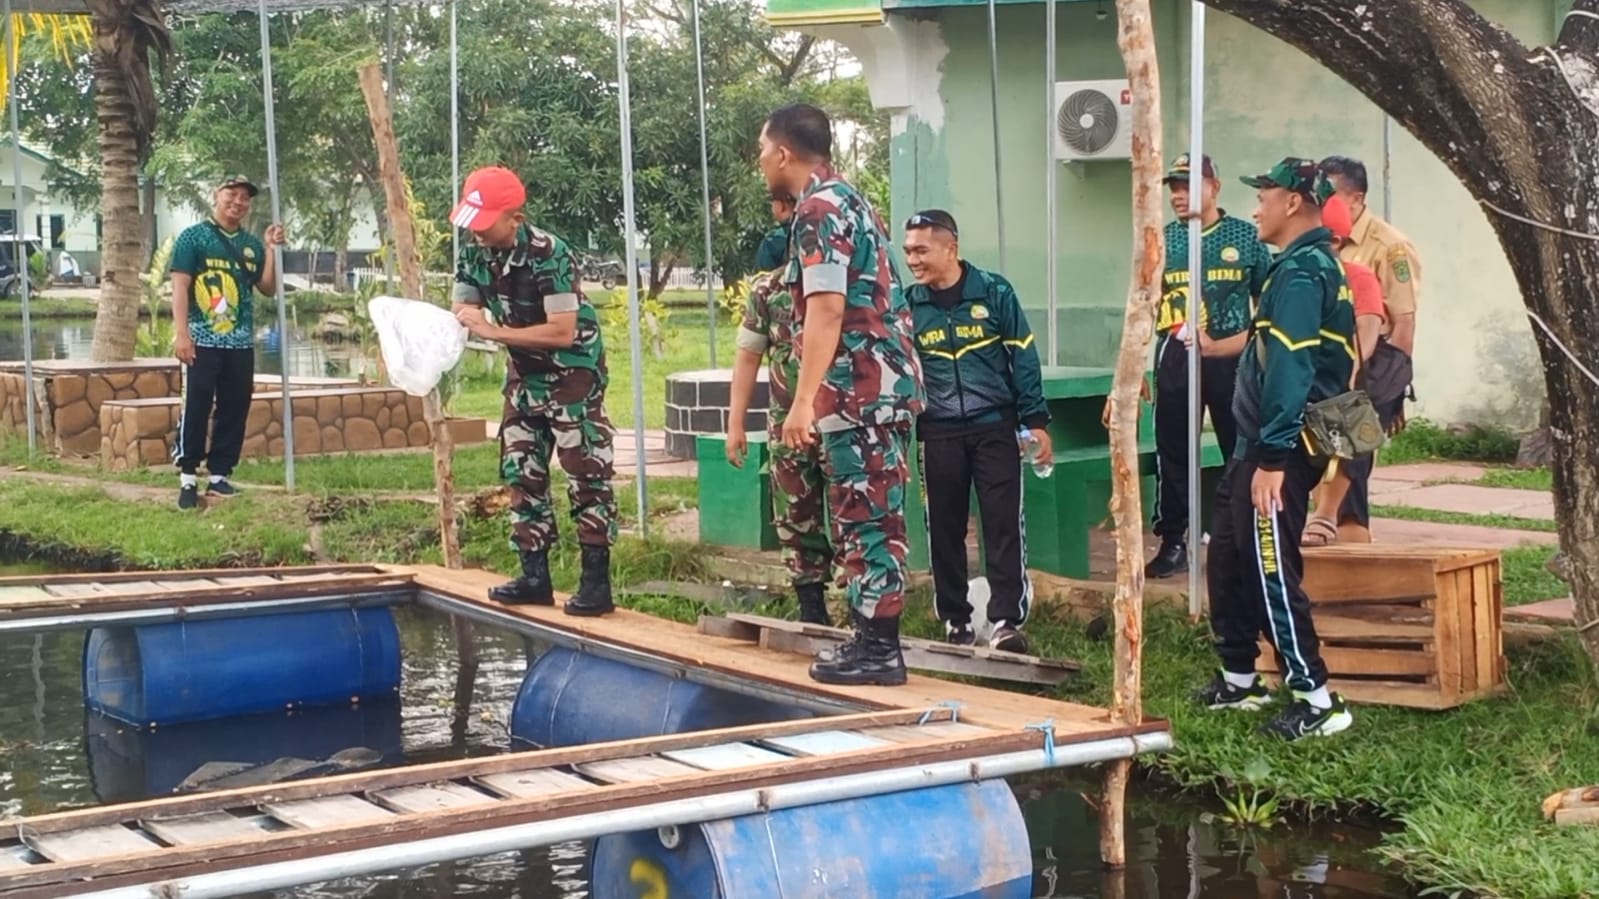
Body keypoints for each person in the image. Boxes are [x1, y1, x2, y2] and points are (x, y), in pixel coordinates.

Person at [757, 103, 925, 686]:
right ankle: (871, 638)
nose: (760, 163)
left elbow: (827, 308)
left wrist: (803, 401)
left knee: (868, 517)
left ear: (782, 153)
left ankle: (879, 651)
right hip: (877, 384)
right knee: (869, 514)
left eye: (762, 151)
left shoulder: (818, 209)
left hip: (857, 388)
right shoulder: (851, 199)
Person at [1199, 157, 1355, 741]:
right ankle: (1240, 676)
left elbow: (1292, 368)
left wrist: (1271, 459)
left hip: (1281, 448)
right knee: (1230, 550)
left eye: (1263, 194)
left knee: (1270, 562)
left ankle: (1316, 698)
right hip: (1256, 443)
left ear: (1293, 202)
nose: (1256, 207)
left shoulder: (1303, 273)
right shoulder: (1295, 264)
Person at [450, 165, 617, 617]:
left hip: (572, 374)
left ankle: (595, 585)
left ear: (515, 219)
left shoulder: (550, 254)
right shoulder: (474, 253)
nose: (477, 231)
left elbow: (562, 332)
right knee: (521, 470)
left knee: (586, 473)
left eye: (484, 221)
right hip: (524, 377)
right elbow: (464, 305)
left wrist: (495, 332)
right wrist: (469, 321)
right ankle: (534, 578)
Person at [903, 209, 1047, 654]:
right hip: (938, 433)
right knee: (943, 527)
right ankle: (956, 619)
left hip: (995, 429)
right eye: (908, 250)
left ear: (951, 248)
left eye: (921, 250)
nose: (913, 260)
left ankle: (1005, 621)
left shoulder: (995, 292)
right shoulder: (908, 304)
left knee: (1003, 522)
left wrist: (1036, 422)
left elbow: (1023, 357)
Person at [1146, 154, 1272, 579]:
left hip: (1232, 354)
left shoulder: (1245, 236)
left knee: (1238, 442)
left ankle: (1243, 533)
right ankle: (1174, 538)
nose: (1178, 195)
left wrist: (1250, 347)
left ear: (1214, 187)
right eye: (1173, 188)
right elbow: (1147, 302)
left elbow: (1266, 302)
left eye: (1187, 185)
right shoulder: (1163, 240)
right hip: (1178, 353)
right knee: (1174, 446)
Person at [1318, 155, 1421, 543]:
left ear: (1357, 198)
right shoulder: (1321, 236)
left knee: (1353, 454)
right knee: (1327, 452)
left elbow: (1404, 322)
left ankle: (1351, 537)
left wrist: (1387, 389)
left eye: (1332, 194)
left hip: (1372, 361)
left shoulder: (1389, 247)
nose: (1323, 202)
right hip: (1328, 361)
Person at [726, 265, 835, 626]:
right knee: (794, 514)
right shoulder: (768, 289)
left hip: (843, 421)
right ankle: (812, 611)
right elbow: (748, 355)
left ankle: (866, 615)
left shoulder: (848, 278)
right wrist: (735, 423)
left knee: (854, 513)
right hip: (788, 424)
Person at [170, 175, 284, 510]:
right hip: (202, 340)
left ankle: (219, 475)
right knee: (197, 406)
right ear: (216, 196)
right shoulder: (194, 238)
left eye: (244, 198)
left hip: (239, 343)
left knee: (235, 407)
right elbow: (179, 287)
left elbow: (266, 287)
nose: (238, 202)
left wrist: (270, 249)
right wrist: (182, 334)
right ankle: (188, 477)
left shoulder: (249, 244)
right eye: (231, 195)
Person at [1303, 194, 1388, 547]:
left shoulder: (1358, 276)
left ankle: (1326, 516)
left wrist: (1345, 373)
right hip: (1300, 383)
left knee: (1351, 434)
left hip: (1338, 385)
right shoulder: (1294, 275)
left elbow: (1367, 330)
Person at [755, 193, 796, 271]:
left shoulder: (772, 241)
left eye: (772, 204)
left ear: (782, 206)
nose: (772, 209)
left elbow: (764, 279)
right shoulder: (815, 230)